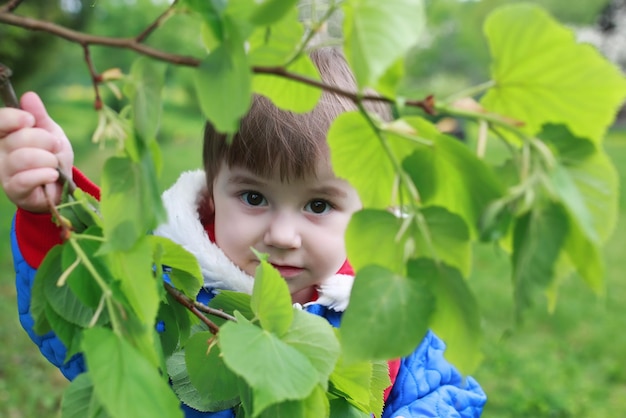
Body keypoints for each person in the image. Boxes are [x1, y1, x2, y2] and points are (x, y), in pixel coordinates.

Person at [0, 47, 487, 417]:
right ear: (212, 195)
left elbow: (446, 394)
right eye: (254, 198)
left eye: (318, 204)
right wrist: (54, 210)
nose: (282, 235)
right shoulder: (170, 290)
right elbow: (85, 328)